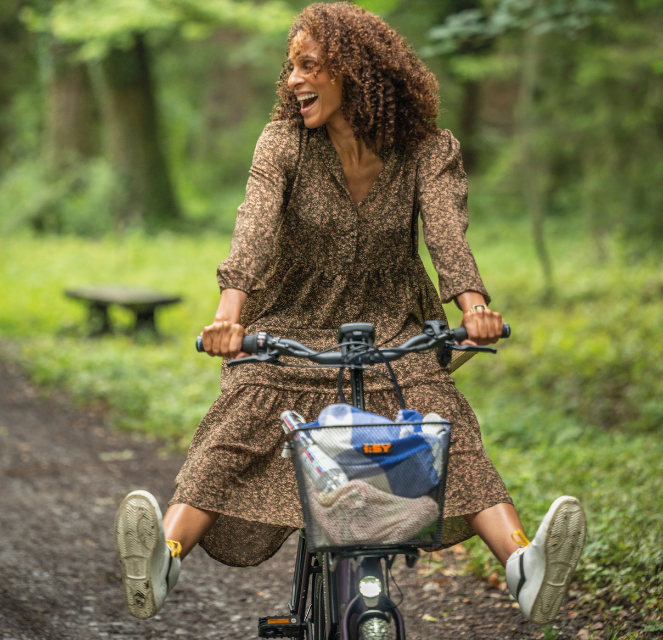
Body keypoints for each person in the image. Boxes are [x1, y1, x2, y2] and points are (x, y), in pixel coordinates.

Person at [114, 2, 587, 627]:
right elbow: (253, 228)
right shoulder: (283, 142)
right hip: (290, 329)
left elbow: (447, 236)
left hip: (393, 332)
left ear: (355, 71)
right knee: (232, 436)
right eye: (290, 68)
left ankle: (524, 568)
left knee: (449, 434)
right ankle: (164, 560)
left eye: (308, 66)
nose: (292, 81)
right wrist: (229, 315)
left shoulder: (426, 148)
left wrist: (474, 308)